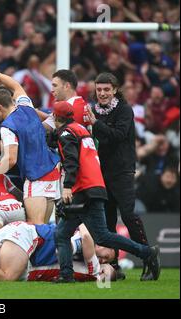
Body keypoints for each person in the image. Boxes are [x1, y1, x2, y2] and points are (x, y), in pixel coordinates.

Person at [53, 101, 160, 283]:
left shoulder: (65, 133)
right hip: (93, 186)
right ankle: (66, 275)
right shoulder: (80, 130)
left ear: (56, 118)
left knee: (102, 235)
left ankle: (147, 252)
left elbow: (71, 161)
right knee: (62, 233)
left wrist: (67, 186)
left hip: (85, 190)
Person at [0, 64, 60, 224]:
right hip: (52, 170)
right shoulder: (26, 105)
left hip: (37, 177)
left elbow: (10, 160)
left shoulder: (7, 126)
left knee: (35, 227)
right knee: (46, 228)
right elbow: (15, 85)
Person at [85, 73, 151, 279]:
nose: (102, 93)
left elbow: (118, 136)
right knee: (107, 221)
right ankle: (114, 266)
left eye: (106, 89)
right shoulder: (92, 110)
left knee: (129, 215)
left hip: (122, 170)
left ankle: (149, 258)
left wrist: (95, 124)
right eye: (99, 90)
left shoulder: (124, 110)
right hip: (100, 171)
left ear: (114, 89)